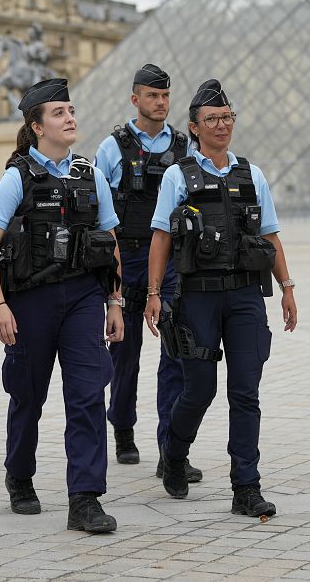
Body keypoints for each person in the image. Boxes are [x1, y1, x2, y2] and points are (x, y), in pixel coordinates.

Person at [143, 79, 298, 518]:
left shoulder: (252, 174)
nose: (222, 125)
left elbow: (270, 235)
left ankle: (246, 487)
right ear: (194, 128)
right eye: (212, 119)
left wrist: (287, 289)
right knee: (199, 391)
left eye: (227, 117)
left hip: (247, 297)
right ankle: (174, 453)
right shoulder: (178, 176)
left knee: (245, 393)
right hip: (197, 299)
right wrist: (155, 294)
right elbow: (160, 239)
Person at [0, 78, 124, 533]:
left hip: (82, 297)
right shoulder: (17, 177)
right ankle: (19, 476)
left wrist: (115, 301)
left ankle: (85, 499)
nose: (70, 118)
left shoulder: (91, 174)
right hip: (30, 301)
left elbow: (110, 241)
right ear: (37, 127)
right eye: (59, 112)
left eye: (71, 110)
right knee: (28, 395)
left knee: (86, 396)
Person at [92, 64, 202, 483]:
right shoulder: (110, 148)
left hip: (171, 263)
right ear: (134, 99)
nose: (160, 103)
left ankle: (169, 448)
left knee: (175, 353)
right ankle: (122, 426)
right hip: (128, 257)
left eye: (165, 96)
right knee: (126, 355)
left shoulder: (183, 147)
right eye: (152, 96)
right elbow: (99, 210)